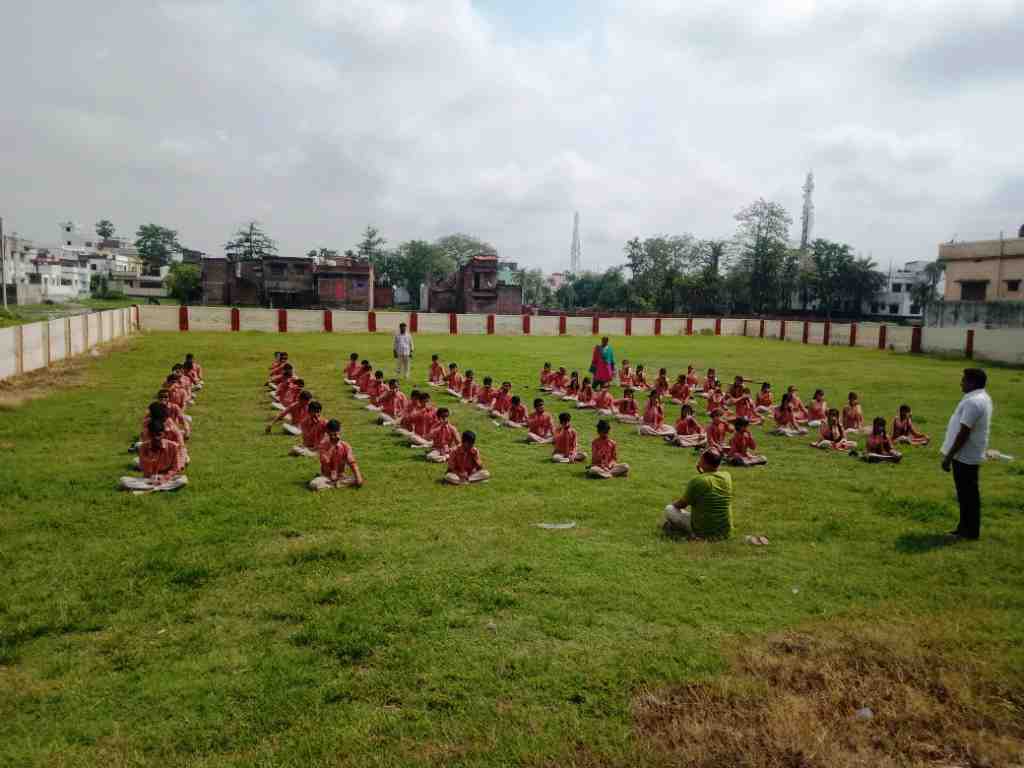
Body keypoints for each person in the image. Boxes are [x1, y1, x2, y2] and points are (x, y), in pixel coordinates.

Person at [941, 368, 993, 541]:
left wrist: (949, 456)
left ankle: (969, 532)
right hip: (968, 454)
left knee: (967, 495)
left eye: (964, 380)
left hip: (964, 456)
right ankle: (964, 528)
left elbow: (964, 433)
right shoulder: (981, 398)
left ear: (973, 383)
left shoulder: (974, 402)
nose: (961, 382)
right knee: (966, 495)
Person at [662, 450, 733, 538]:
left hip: (703, 530)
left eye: (700, 459)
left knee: (669, 509)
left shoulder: (698, 481)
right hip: (725, 530)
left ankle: (690, 532)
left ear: (704, 462)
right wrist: (703, 473)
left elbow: (681, 505)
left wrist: (673, 504)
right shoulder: (727, 476)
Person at [120, 421, 188, 492]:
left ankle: (150, 489)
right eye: (153, 435)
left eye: (159, 434)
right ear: (149, 435)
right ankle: (158, 488)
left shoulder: (173, 446)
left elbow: (176, 468)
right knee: (123, 480)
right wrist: (152, 458)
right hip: (149, 479)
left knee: (183, 480)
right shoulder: (143, 447)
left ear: (163, 434)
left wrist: (164, 478)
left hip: (168, 478)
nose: (156, 437)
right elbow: (144, 468)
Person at [310, 420, 364, 490]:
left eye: (336, 434)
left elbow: (352, 463)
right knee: (313, 484)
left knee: (357, 478)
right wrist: (332, 446)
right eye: (332, 434)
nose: (334, 436)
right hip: (327, 476)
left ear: (339, 431)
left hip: (341, 476)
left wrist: (358, 477)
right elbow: (325, 462)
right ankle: (337, 484)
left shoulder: (345, 446)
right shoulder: (323, 446)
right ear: (328, 433)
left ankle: (334, 484)